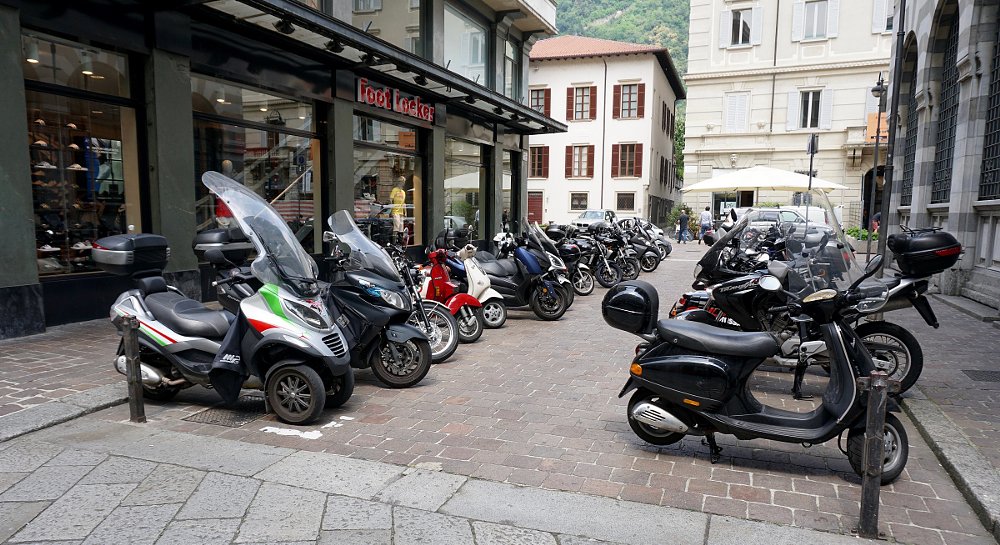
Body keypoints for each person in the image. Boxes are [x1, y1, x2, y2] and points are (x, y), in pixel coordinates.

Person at [389, 176, 406, 244]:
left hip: (401, 211)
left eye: (403, 182)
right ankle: (394, 242)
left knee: (401, 227)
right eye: (401, 182)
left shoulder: (403, 192)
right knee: (396, 225)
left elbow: (404, 202)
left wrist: (405, 211)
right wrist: (391, 208)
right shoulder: (394, 190)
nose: (402, 183)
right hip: (395, 211)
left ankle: (400, 241)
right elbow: (391, 199)